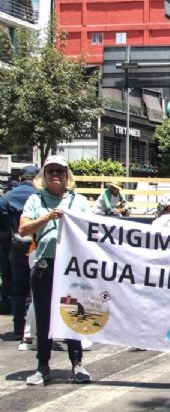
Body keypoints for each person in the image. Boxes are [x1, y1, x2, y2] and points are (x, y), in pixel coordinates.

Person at [19, 155, 93, 385]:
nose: (55, 175)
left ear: (66, 175)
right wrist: (48, 216)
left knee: (73, 317)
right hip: (45, 265)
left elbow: (92, 231)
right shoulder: (35, 200)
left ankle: (77, 364)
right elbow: (23, 229)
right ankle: (43, 367)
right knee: (43, 318)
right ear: (44, 176)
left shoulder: (79, 202)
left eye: (60, 171)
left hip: (71, 269)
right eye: (50, 171)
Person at [0, 165, 39, 345]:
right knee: (36, 288)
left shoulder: (8, 197)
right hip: (37, 245)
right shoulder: (41, 196)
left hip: (15, 245)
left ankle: (17, 329)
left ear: (21, 177)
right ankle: (31, 330)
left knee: (18, 287)